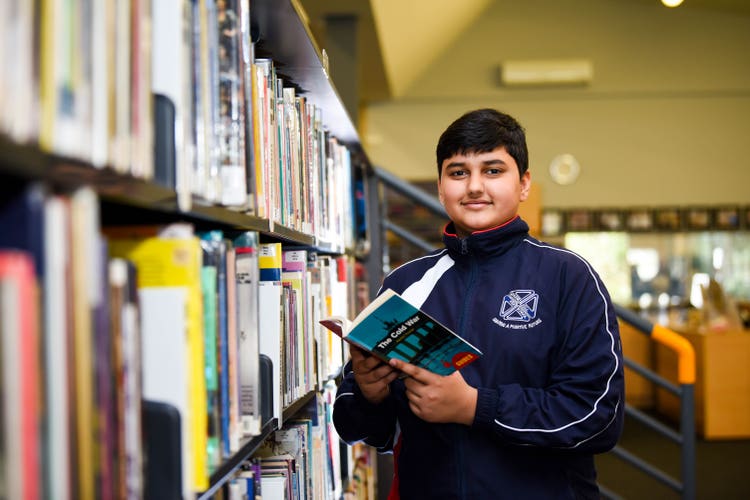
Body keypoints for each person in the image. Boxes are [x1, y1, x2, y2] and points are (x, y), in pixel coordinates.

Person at [333, 108, 625, 499]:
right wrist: (370, 393)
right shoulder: (406, 283)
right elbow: (363, 431)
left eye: (492, 170)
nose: (474, 186)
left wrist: (474, 406)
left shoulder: (567, 277)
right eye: (458, 172)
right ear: (440, 187)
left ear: (523, 184)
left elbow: (598, 416)